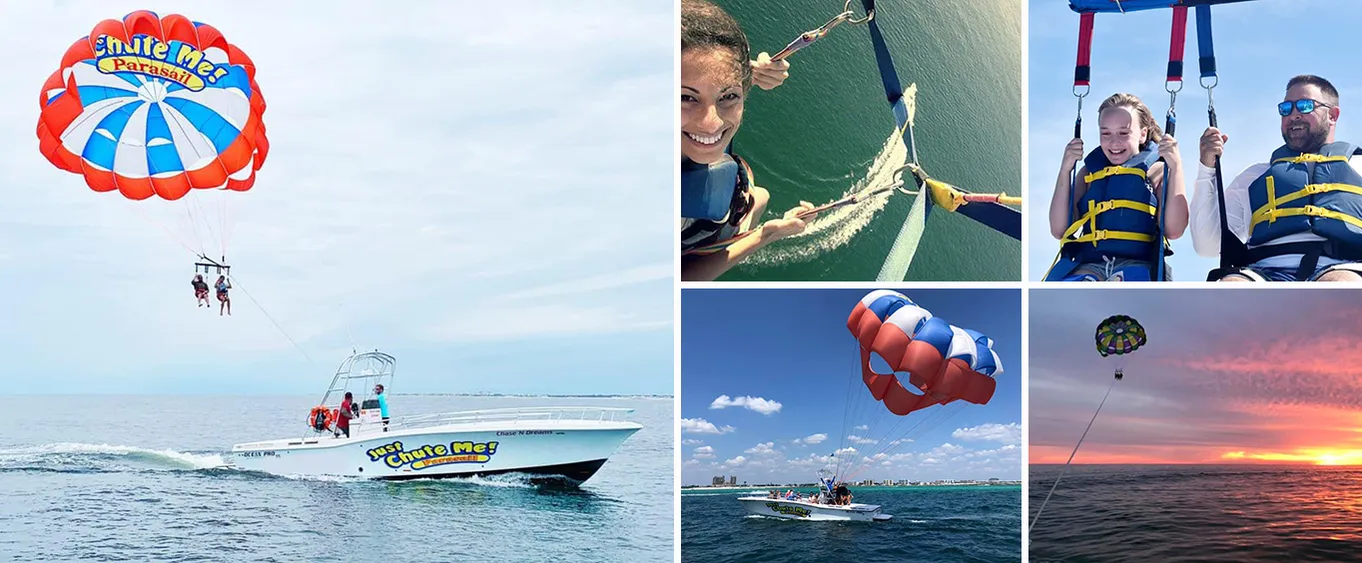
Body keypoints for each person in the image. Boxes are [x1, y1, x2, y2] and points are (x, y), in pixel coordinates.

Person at [680, 0, 819, 281]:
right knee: (759, 201)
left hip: (715, 199)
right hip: (693, 237)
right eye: (686, 97)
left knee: (759, 198)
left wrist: (749, 74)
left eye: (729, 96)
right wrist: (766, 236)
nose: (712, 122)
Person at [1190, 75, 1362, 282]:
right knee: (1230, 288)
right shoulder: (1255, 176)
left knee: (1340, 285)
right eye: (1286, 108)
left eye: (1305, 106)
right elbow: (1207, 245)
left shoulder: (1358, 167)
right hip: (1263, 274)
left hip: (1340, 268)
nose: (1294, 115)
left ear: (1333, 115)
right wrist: (1207, 166)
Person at [1046, 93, 1189, 281]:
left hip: (1138, 264)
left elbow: (1174, 229)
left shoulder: (1157, 170)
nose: (1114, 142)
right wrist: (1065, 170)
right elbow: (1059, 229)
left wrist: (1176, 167)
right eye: (1106, 133)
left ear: (1142, 134)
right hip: (1089, 265)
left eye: (1123, 133)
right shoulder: (1089, 172)